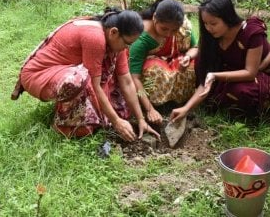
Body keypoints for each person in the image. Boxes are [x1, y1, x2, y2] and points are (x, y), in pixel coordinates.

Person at [11, 8, 160, 142]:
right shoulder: (95, 38)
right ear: (113, 32)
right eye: (127, 44)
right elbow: (95, 86)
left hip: (65, 71)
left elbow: (126, 81)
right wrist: (116, 122)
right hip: (40, 75)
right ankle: (65, 127)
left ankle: (91, 116)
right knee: (78, 80)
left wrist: (140, 118)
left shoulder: (115, 39)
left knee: (119, 100)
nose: (127, 48)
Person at [169, 0, 270, 123]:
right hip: (234, 71)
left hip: (269, 75)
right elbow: (206, 77)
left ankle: (266, 109)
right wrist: (186, 109)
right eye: (205, 23)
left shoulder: (251, 32)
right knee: (201, 62)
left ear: (227, 17)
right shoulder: (211, 36)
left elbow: (250, 73)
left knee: (238, 92)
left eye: (213, 23)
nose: (209, 28)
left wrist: (215, 76)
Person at [128, 0, 198, 125]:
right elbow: (134, 78)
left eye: (174, 30)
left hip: (174, 64)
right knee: (154, 70)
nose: (169, 34)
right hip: (152, 72)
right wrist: (149, 109)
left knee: (195, 63)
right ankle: (155, 102)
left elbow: (195, 47)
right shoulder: (141, 39)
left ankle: (180, 99)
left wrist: (187, 57)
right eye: (164, 29)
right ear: (155, 18)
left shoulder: (184, 28)